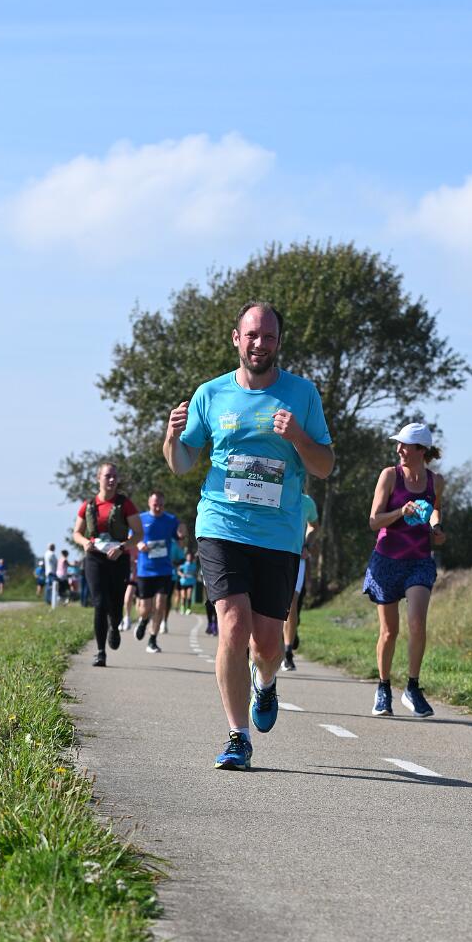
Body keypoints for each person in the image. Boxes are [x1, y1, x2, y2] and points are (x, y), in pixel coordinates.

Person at [164, 299, 334, 770]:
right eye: (252, 335)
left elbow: (323, 466)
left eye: (269, 336)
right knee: (233, 626)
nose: (260, 343)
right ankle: (238, 736)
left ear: (279, 342)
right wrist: (171, 436)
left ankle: (267, 681)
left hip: (278, 533)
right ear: (237, 339)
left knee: (267, 645)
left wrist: (299, 437)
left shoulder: (302, 394)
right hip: (221, 524)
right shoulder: (210, 394)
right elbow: (182, 463)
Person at [363, 422, 445, 718]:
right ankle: (383, 687)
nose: (399, 449)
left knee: (417, 622)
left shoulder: (436, 481)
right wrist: (401, 511)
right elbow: (374, 521)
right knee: (389, 632)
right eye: (398, 444)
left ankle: (412, 687)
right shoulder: (390, 475)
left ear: (421, 450)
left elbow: (435, 509)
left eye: (405, 445)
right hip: (387, 560)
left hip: (419, 560)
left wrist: (437, 527)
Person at [72, 464, 144, 666]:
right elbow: (77, 533)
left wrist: (122, 547)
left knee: (116, 603)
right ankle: (100, 652)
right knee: (99, 603)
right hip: (95, 558)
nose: (111, 480)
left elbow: (139, 534)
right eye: (107, 476)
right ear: (98, 478)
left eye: (114, 476)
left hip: (118, 559)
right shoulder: (88, 505)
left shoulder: (125, 504)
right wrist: (85, 542)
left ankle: (115, 625)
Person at [133, 491, 186, 653]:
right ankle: (143, 621)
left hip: (164, 569)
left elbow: (180, 541)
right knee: (146, 608)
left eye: (161, 505)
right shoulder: (141, 519)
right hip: (145, 570)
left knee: (160, 604)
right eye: (155, 504)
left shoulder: (171, 520)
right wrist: (139, 544)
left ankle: (152, 640)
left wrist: (182, 535)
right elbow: (132, 537)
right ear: (149, 503)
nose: (158, 507)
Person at [281, 487, 318, 670]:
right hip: (270, 553)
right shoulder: (271, 491)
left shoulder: (306, 501)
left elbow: (314, 525)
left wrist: (307, 545)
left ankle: (288, 653)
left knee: (291, 603)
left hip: (296, 557)